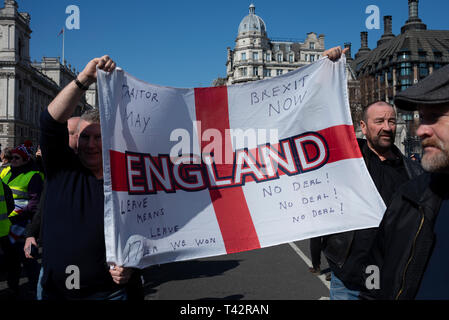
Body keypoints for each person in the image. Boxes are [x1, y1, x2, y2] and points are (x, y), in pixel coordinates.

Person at [40, 55, 135, 300]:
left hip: (109, 293)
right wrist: (84, 79)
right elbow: (50, 121)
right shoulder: (62, 169)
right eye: (85, 137)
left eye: (98, 137)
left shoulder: (128, 181)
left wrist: (130, 266)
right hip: (57, 292)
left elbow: (143, 233)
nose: (91, 144)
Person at [323, 101, 423, 300]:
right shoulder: (347, 163)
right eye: (379, 121)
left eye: (391, 121)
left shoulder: (412, 172)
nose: (386, 127)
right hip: (349, 279)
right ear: (363, 127)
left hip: (391, 281)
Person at [365, 64, 449, 300]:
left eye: (434, 117)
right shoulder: (411, 196)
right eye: (421, 117)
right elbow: (375, 270)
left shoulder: (409, 174)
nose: (420, 130)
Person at [1, 141, 44, 297]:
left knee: (28, 258)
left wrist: (18, 216)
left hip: (24, 223)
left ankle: (34, 287)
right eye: (11, 157)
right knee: (11, 259)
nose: (13, 160)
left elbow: (34, 203)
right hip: (7, 223)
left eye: (17, 158)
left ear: (26, 159)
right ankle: (13, 287)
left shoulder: (34, 175)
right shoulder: (5, 171)